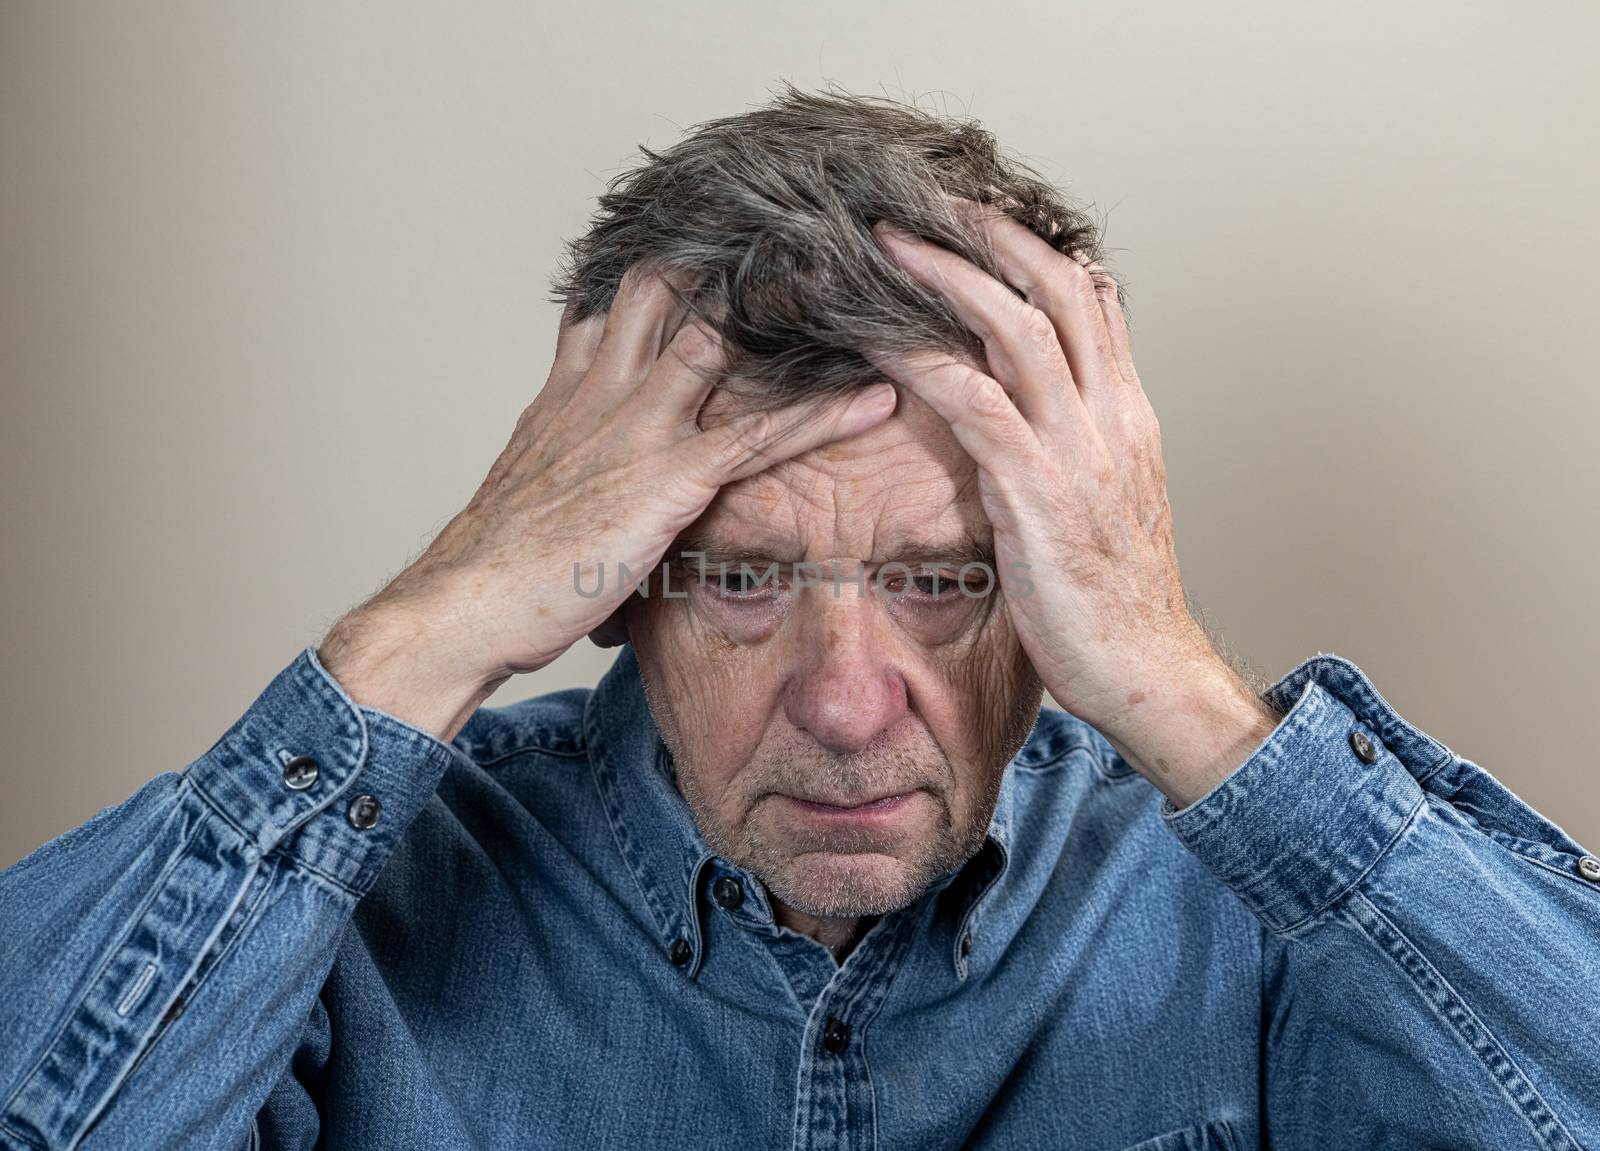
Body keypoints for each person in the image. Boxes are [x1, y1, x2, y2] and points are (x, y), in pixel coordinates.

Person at [1, 85, 1596, 1151]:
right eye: (747, 578)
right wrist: (435, 620)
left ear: (1058, 582)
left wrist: (1174, 682)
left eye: (946, 579)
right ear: (614, 582)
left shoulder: (1244, 924)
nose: (847, 703)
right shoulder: (349, 925)